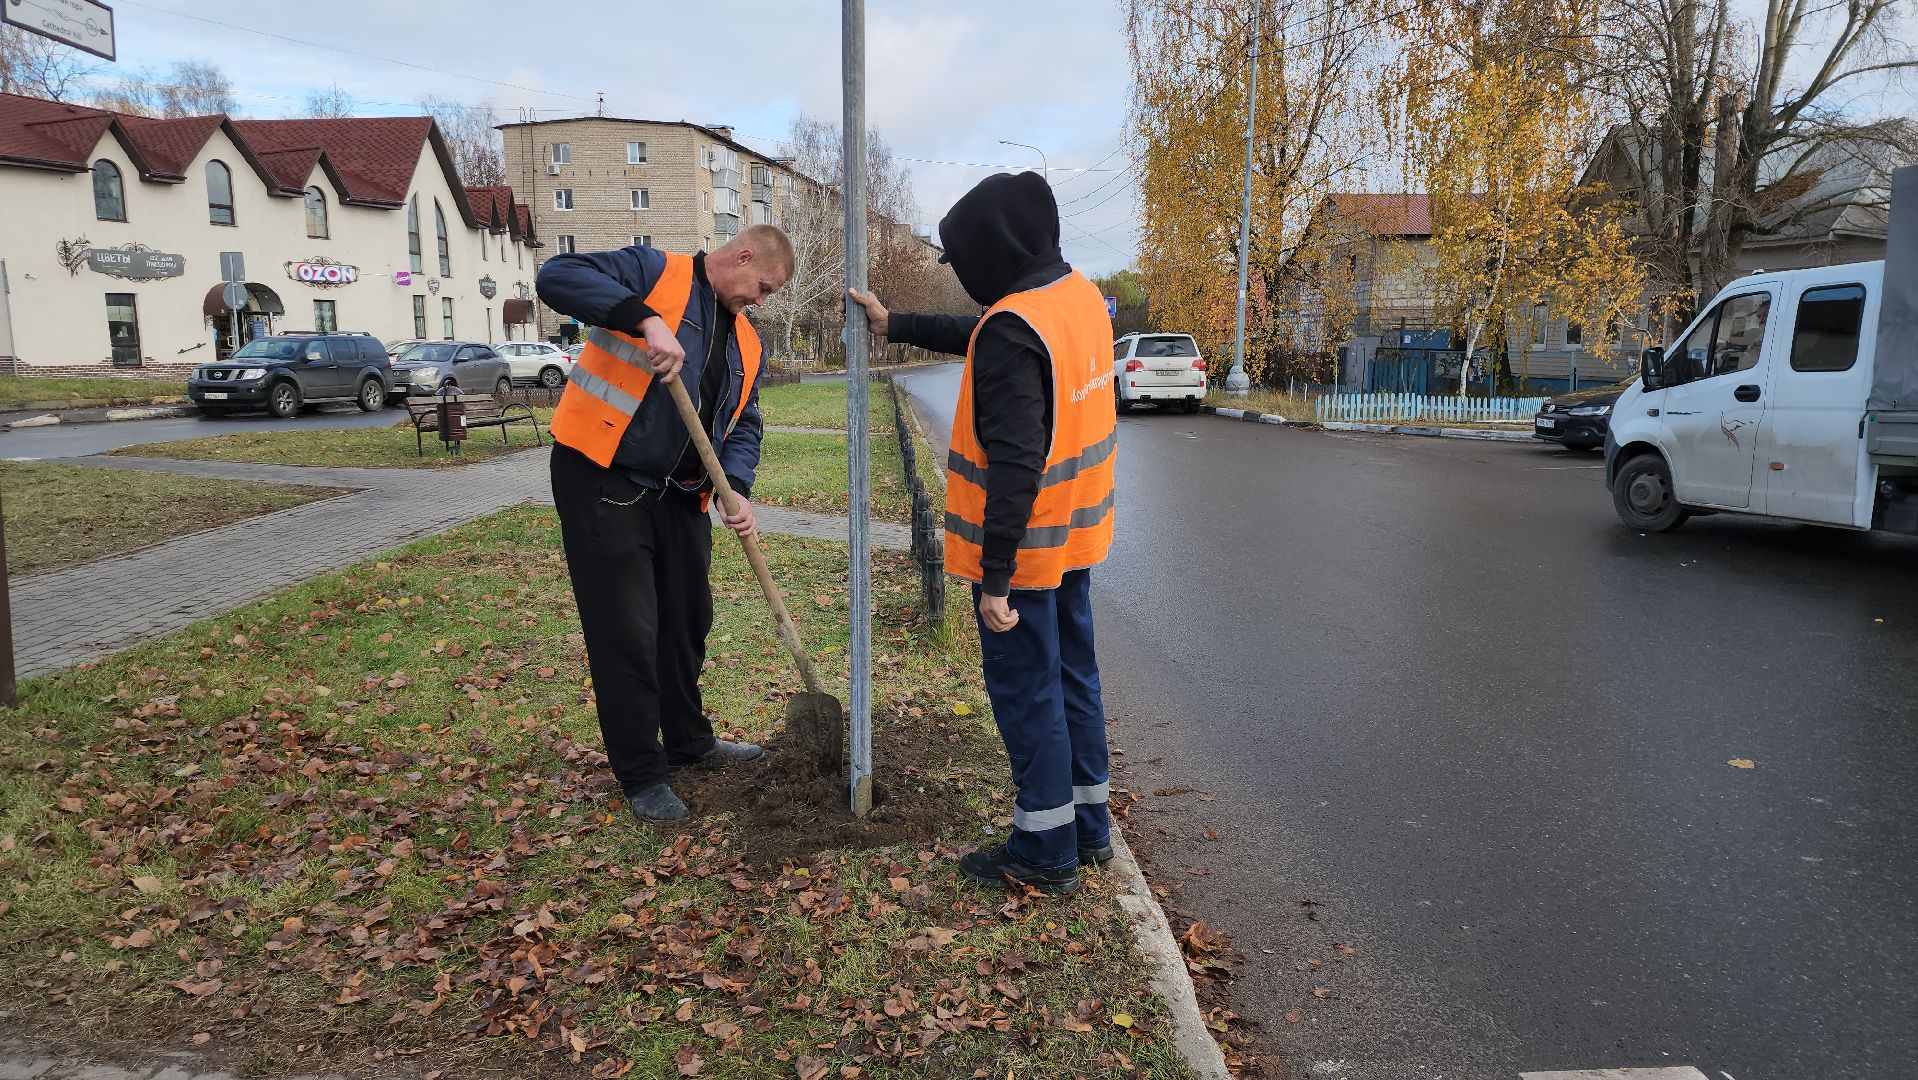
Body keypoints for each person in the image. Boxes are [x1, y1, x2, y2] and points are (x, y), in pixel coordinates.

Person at [846, 172, 1117, 895]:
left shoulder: (1013, 329)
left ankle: (1044, 851)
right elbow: (989, 336)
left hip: (1024, 559)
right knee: (1073, 681)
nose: (963, 279)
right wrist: (896, 323)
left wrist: (995, 579)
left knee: (1030, 696)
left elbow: (1016, 464)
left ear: (990, 252)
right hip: (1074, 540)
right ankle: (1091, 833)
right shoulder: (1075, 299)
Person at [537, 226, 794, 824]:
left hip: (683, 495)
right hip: (604, 475)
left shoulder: (748, 344)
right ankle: (642, 772)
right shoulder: (656, 271)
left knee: (687, 620)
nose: (760, 300)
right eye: (761, 287)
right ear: (743, 255)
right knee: (627, 630)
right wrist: (644, 319)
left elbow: (746, 421)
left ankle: (688, 740)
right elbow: (557, 277)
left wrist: (736, 485)